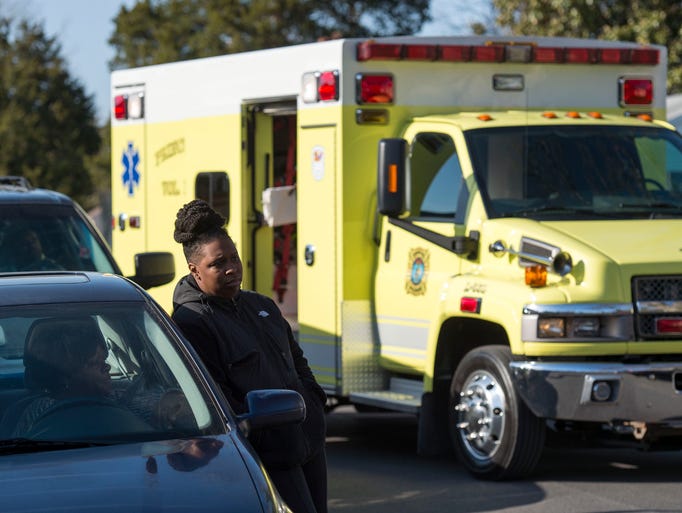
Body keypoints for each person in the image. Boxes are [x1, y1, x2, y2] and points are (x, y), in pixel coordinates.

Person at [171, 199, 327, 513]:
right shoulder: (193, 321)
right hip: (268, 458)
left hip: (307, 442)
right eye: (218, 263)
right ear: (195, 270)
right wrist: (257, 431)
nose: (231, 268)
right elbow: (215, 398)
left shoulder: (262, 305)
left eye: (234, 258)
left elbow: (296, 359)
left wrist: (313, 400)